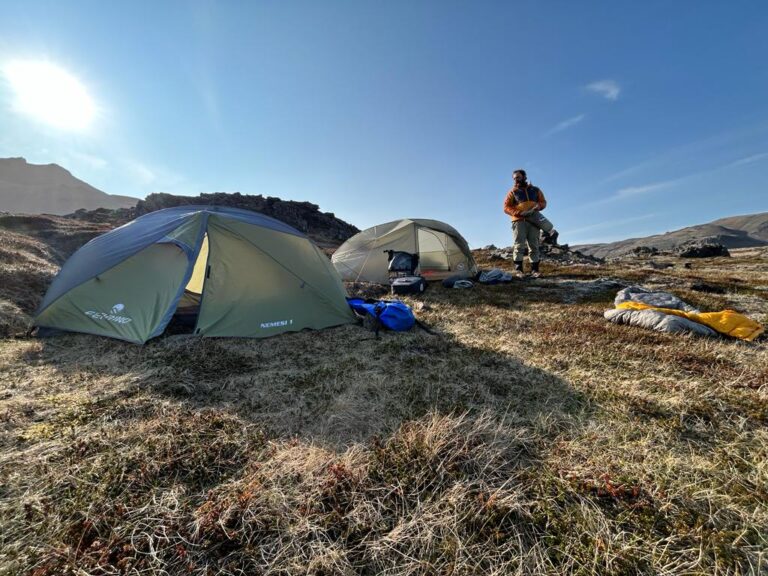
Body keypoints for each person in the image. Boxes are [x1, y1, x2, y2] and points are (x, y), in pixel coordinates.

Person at [502, 169, 560, 278]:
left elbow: (543, 202)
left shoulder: (535, 190)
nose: (516, 180)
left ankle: (535, 271)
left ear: (524, 177)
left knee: (534, 245)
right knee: (519, 245)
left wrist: (539, 206)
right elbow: (506, 207)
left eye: (518, 177)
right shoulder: (512, 192)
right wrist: (519, 212)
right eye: (514, 178)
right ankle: (519, 271)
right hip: (519, 221)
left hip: (534, 221)